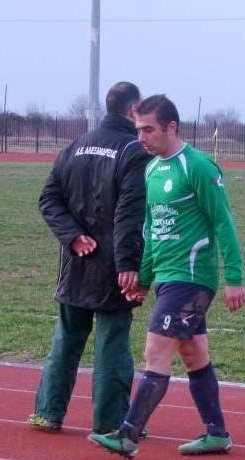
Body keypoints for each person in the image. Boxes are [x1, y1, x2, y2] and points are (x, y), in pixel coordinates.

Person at [90, 94, 245, 459]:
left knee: (155, 351)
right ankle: (217, 433)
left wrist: (234, 278)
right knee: (193, 354)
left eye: (148, 130)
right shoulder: (151, 170)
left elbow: (224, 223)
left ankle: (127, 435)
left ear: (171, 127)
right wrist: (144, 279)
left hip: (191, 277)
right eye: (138, 130)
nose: (141, 138)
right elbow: (151, 231)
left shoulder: (198, 166)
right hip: (166, 277)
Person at [27, 82, 151, 436]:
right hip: (113, 265)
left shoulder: (75, 145)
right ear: (132, 110)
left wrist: (72, 236)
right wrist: (129, 266)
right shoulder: (134, 151)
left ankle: (47, 412)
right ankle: (110, 422)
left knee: (66, 338)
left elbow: (48, 200)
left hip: (76, 262)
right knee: (112, 343)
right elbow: (129, 216)